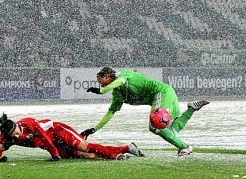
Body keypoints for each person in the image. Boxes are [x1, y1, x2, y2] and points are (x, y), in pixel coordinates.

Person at [82, 67, 210, 158]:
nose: (101, 85)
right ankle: (191, 109)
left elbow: (120, 81)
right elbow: (110, 113)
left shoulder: (123, 75)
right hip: (162, 97)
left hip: (162, 92)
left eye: (101, 82)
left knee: (155, 124)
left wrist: (101, 92)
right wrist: (94, 129)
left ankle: (185, 147)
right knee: (170, 131)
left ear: (108, 77)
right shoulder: (117, 94)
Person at [0, 113, 144, 162]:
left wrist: (55, 155)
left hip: (58, 131)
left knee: (83, 146)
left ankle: (125, 148)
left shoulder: (30, 124)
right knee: (85, 155)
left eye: (16, 132)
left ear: (17, 125)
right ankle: (120, 153)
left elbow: (46, 139)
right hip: (51, 144)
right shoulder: (6, 137)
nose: (17, 136)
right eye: (13, 136)